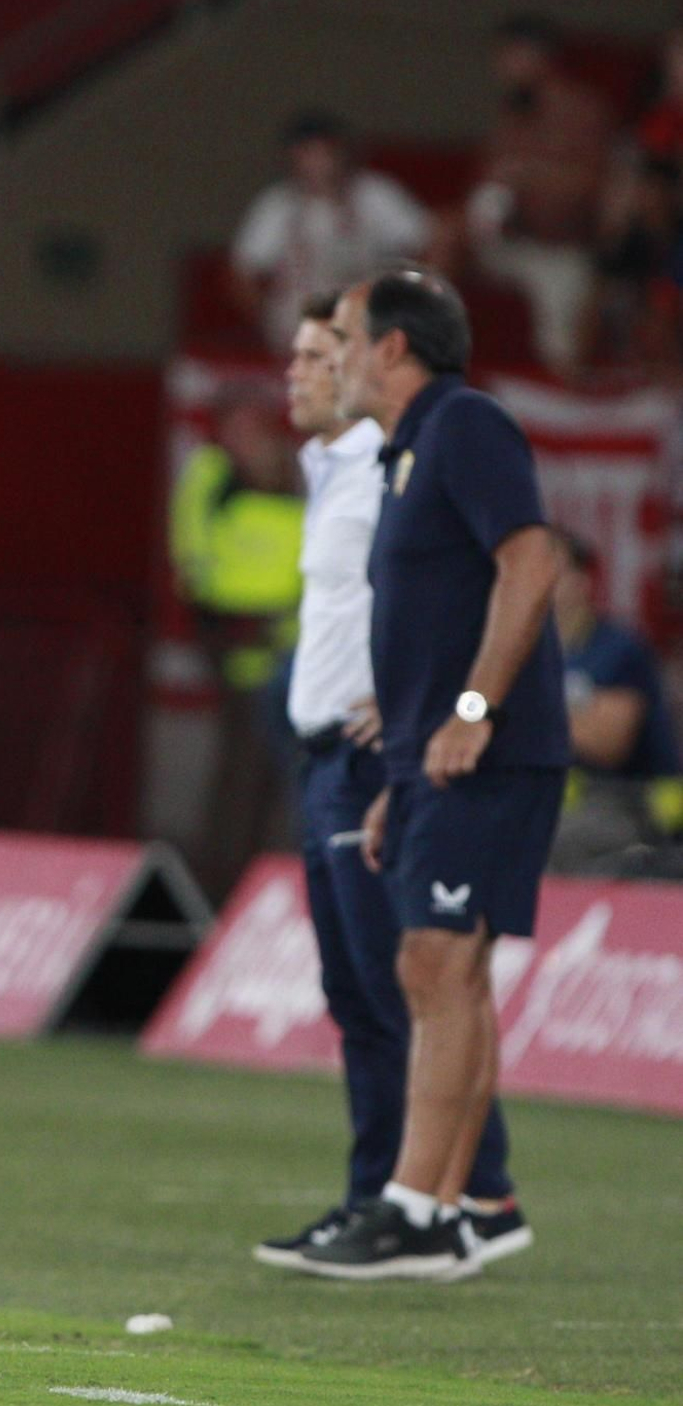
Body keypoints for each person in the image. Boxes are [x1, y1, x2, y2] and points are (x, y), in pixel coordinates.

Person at [295, 270, 567, 1282]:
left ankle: (413, 1207)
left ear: (395, 349)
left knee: (433, 962)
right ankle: (451, 1209)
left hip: (486, 752)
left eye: (348, 337)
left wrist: (472, 711)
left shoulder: (465, 423)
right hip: (430, 762)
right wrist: (399, 774)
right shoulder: (412, 451)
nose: (335, 354)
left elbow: (531, 561)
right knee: (447, 968)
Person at [170, 390, 303, 893]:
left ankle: (261, 873)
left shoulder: (296, 478)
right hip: (241, 646)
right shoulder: (213, 478)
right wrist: (226, 624)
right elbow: (195, 563)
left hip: (291, 650)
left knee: (275, 773)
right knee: (243, 768)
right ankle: (223, 878)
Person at [463, 15, 613, 374]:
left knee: (560, 349)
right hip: (510, 244)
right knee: (443, 238)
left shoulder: (583, 110)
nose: (501, 68)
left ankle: (566, 422)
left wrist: (531, 177)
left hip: (562, 251)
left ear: (539, 57)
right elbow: (487, 184)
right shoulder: (509, 116)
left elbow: (595, 187)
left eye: (510, 57)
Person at [230, 111, 431, 353]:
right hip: (300, 331)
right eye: (307, 154)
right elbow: (241, 272)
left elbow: (431, 240)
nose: (318, 164)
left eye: (324, 153)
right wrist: (266, 319)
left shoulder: (375, 195)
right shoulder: (277, 205)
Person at [547, 526, 683, 872]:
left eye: (552, 570)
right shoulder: (524, 654)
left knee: (555, 839)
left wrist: (523, 712)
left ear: (582, 581)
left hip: (628, 802)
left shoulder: (617, 649)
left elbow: (608, 743)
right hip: (552, 799)